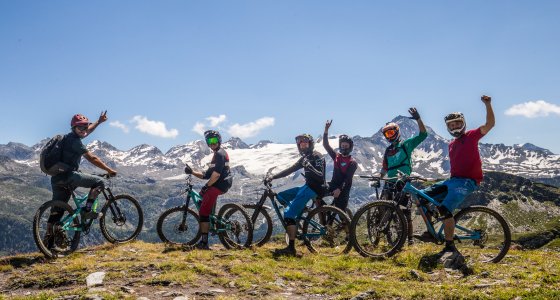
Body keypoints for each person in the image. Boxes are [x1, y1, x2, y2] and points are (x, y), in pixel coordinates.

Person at [422, 95, 495, 258]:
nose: (455, 126)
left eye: (457, 123)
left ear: (463, 124)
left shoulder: (471, 136)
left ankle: (450, 247)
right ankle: (430, 232)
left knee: (445, 209)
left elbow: (490, 124)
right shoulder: (451, 144)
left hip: (468, 182)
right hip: (452, 181)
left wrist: (488, 104)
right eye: (451, 125)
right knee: (420, 197)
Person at [46, 111, 117, 249]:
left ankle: (47, 246)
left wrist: (99, 121)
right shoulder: (75, 142)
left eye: (85, 127)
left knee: (57, 211)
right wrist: (109, 170)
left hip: (56, 179)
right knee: (99, 182)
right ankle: (87, 211)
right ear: (74, 128)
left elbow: (87, 132)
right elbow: (92, 158)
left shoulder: (69, 138)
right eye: (80, 127)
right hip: (69, 176)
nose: (84, 130)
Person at [267, 133, 326, 257]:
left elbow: (320, 176)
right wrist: (273, 177)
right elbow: (290, 169)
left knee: (288, 214)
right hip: (306, 187)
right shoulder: (304, 158)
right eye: (301, 144)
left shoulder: (317, 156)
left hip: (313, 189)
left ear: (311, 144)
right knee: (282, 195)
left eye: (305, 143)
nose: (303, 145)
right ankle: (299, 211)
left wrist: (310, 167)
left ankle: (291, 248)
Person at [379, 108, 427, 245]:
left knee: (406, 211)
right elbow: (384, 168)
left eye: (391, 132)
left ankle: (410, 240)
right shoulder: (388, 150)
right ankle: (392, 239)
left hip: (403, 182)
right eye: (386, 134)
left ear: (397, 132)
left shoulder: (406, 145)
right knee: (387, 209)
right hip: (389, 183)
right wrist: (379, 178)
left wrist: (418, 118)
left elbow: (423, 134)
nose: (389, 136)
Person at [184, 130, 233, 250]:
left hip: (219, 184)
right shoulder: (216, 155)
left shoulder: (220, 154)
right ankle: (211, 218)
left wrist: (206, 186)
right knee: (203, 197)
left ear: (219, 140)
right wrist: (192, 172)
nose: (212, 143)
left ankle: (204, 243)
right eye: (209, 141)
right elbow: (206, 174)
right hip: (220, 184)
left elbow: (215, 175)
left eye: (214, 140)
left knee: (203, 213)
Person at [322, 120, 357, 214]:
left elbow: (347, 179)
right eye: (342, 145)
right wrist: (326, 130)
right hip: (333, 185)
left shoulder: (352, 162)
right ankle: (324, 216)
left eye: (346, 146)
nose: (344, 147)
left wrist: (339, 189)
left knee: (341, 215)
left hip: (343, 189)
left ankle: (347, 226)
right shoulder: (336, 157)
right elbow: (326, 145)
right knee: (317, 193)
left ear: (350, 147)